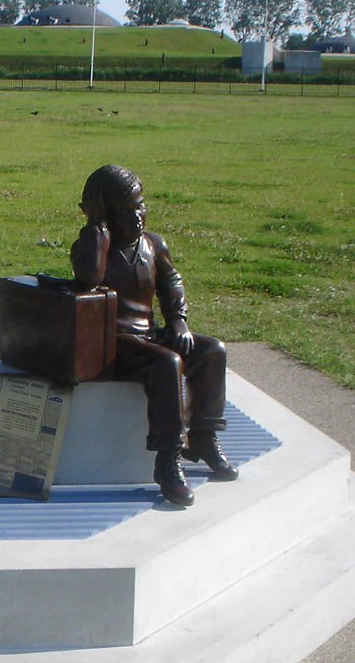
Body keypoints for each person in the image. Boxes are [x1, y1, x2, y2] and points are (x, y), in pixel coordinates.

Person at [70, 165, 238, 507]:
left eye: (140, 205)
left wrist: (178, 321)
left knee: (211, 351)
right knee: (166, 363)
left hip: (148, 334)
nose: (137, 216)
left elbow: (171, 283)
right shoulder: (93, 246)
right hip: (113, 343)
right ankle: (168, 459)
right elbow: (88, 279)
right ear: (106, 212)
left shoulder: (153, 245)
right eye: (125, 210)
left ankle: (204, 435)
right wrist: (97, 226)